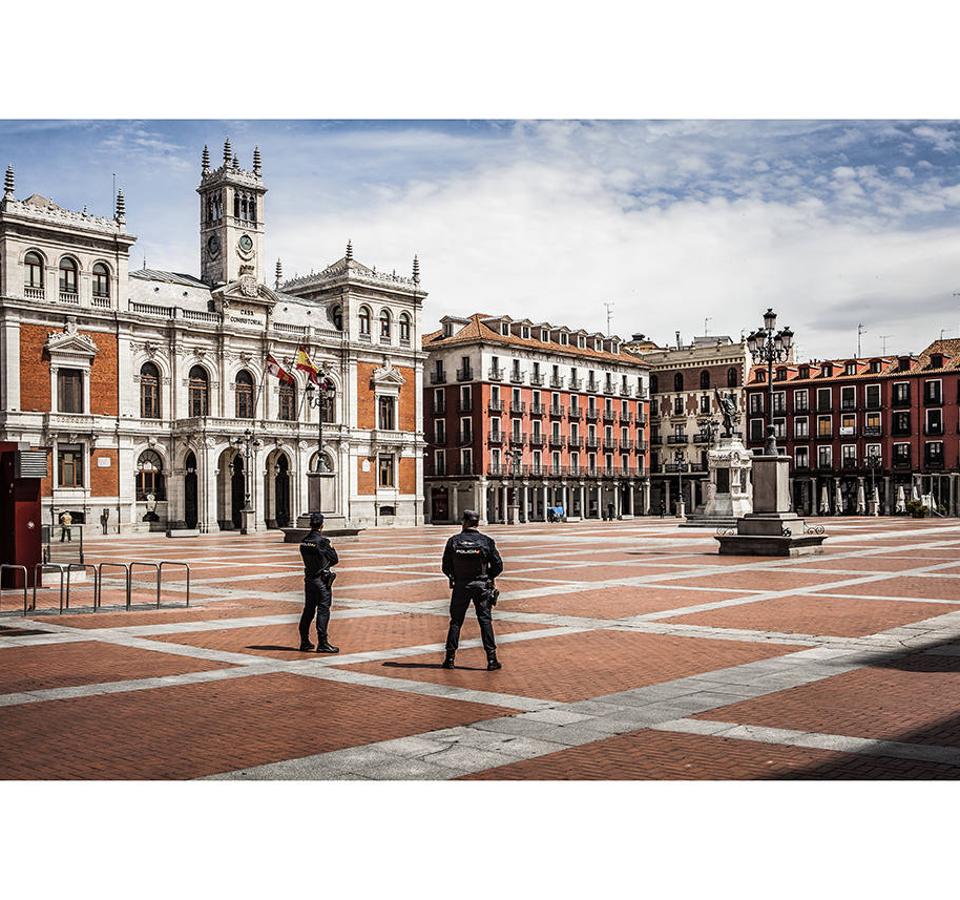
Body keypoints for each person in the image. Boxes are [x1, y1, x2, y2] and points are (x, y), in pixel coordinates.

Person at [441, 509, 504, 671]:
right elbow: (498, 565)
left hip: (461, 586)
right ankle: (491, 659)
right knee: (485, 621)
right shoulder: (486, 541)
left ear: (464, 521)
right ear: (476, 523)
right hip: (481, 586)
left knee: (456, 621)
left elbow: (445, 566)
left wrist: (454, 576)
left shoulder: (453, 541)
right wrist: (488, 576)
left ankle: (449, 658)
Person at [298, 513, 340, 653]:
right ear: (322, 525)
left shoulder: (304, 541)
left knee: (308, 610)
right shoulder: (322, 541)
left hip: (309, 579)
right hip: (321, 581)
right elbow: (334, 559)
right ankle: (323, 642)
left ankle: (304, 641)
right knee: (323, 610)